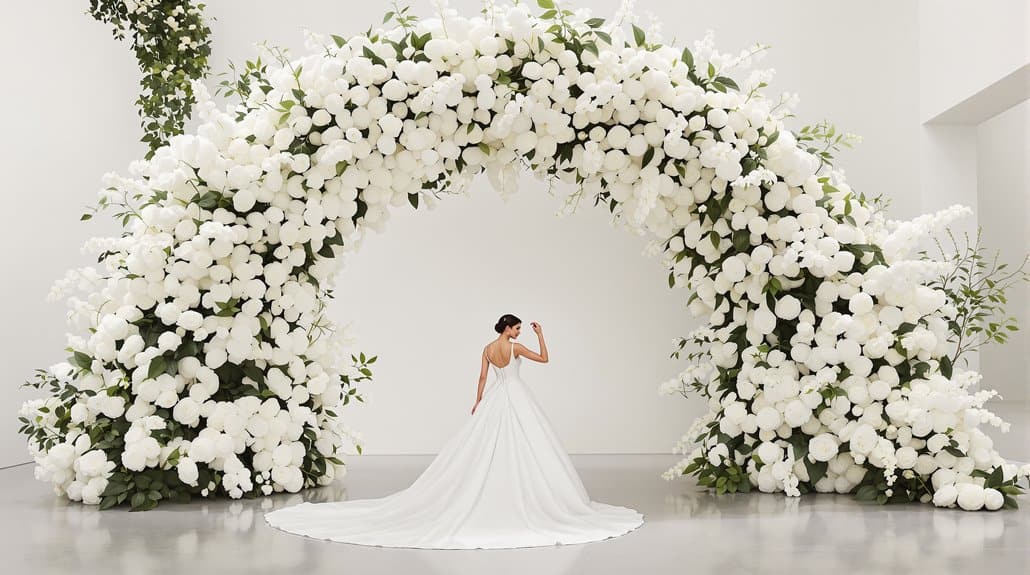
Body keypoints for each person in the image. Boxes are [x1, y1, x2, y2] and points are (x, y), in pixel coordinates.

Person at [264, 314, 644, 549]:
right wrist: (542, 334)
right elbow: (546, 359)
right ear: (510, 329)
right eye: (517, 326)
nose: (518, 330)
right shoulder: (517, 347)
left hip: (497, 395)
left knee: (491, 445)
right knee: (527, 445)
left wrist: (478, 401)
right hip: (517, 395)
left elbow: (481, 376)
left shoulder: (488, 347)